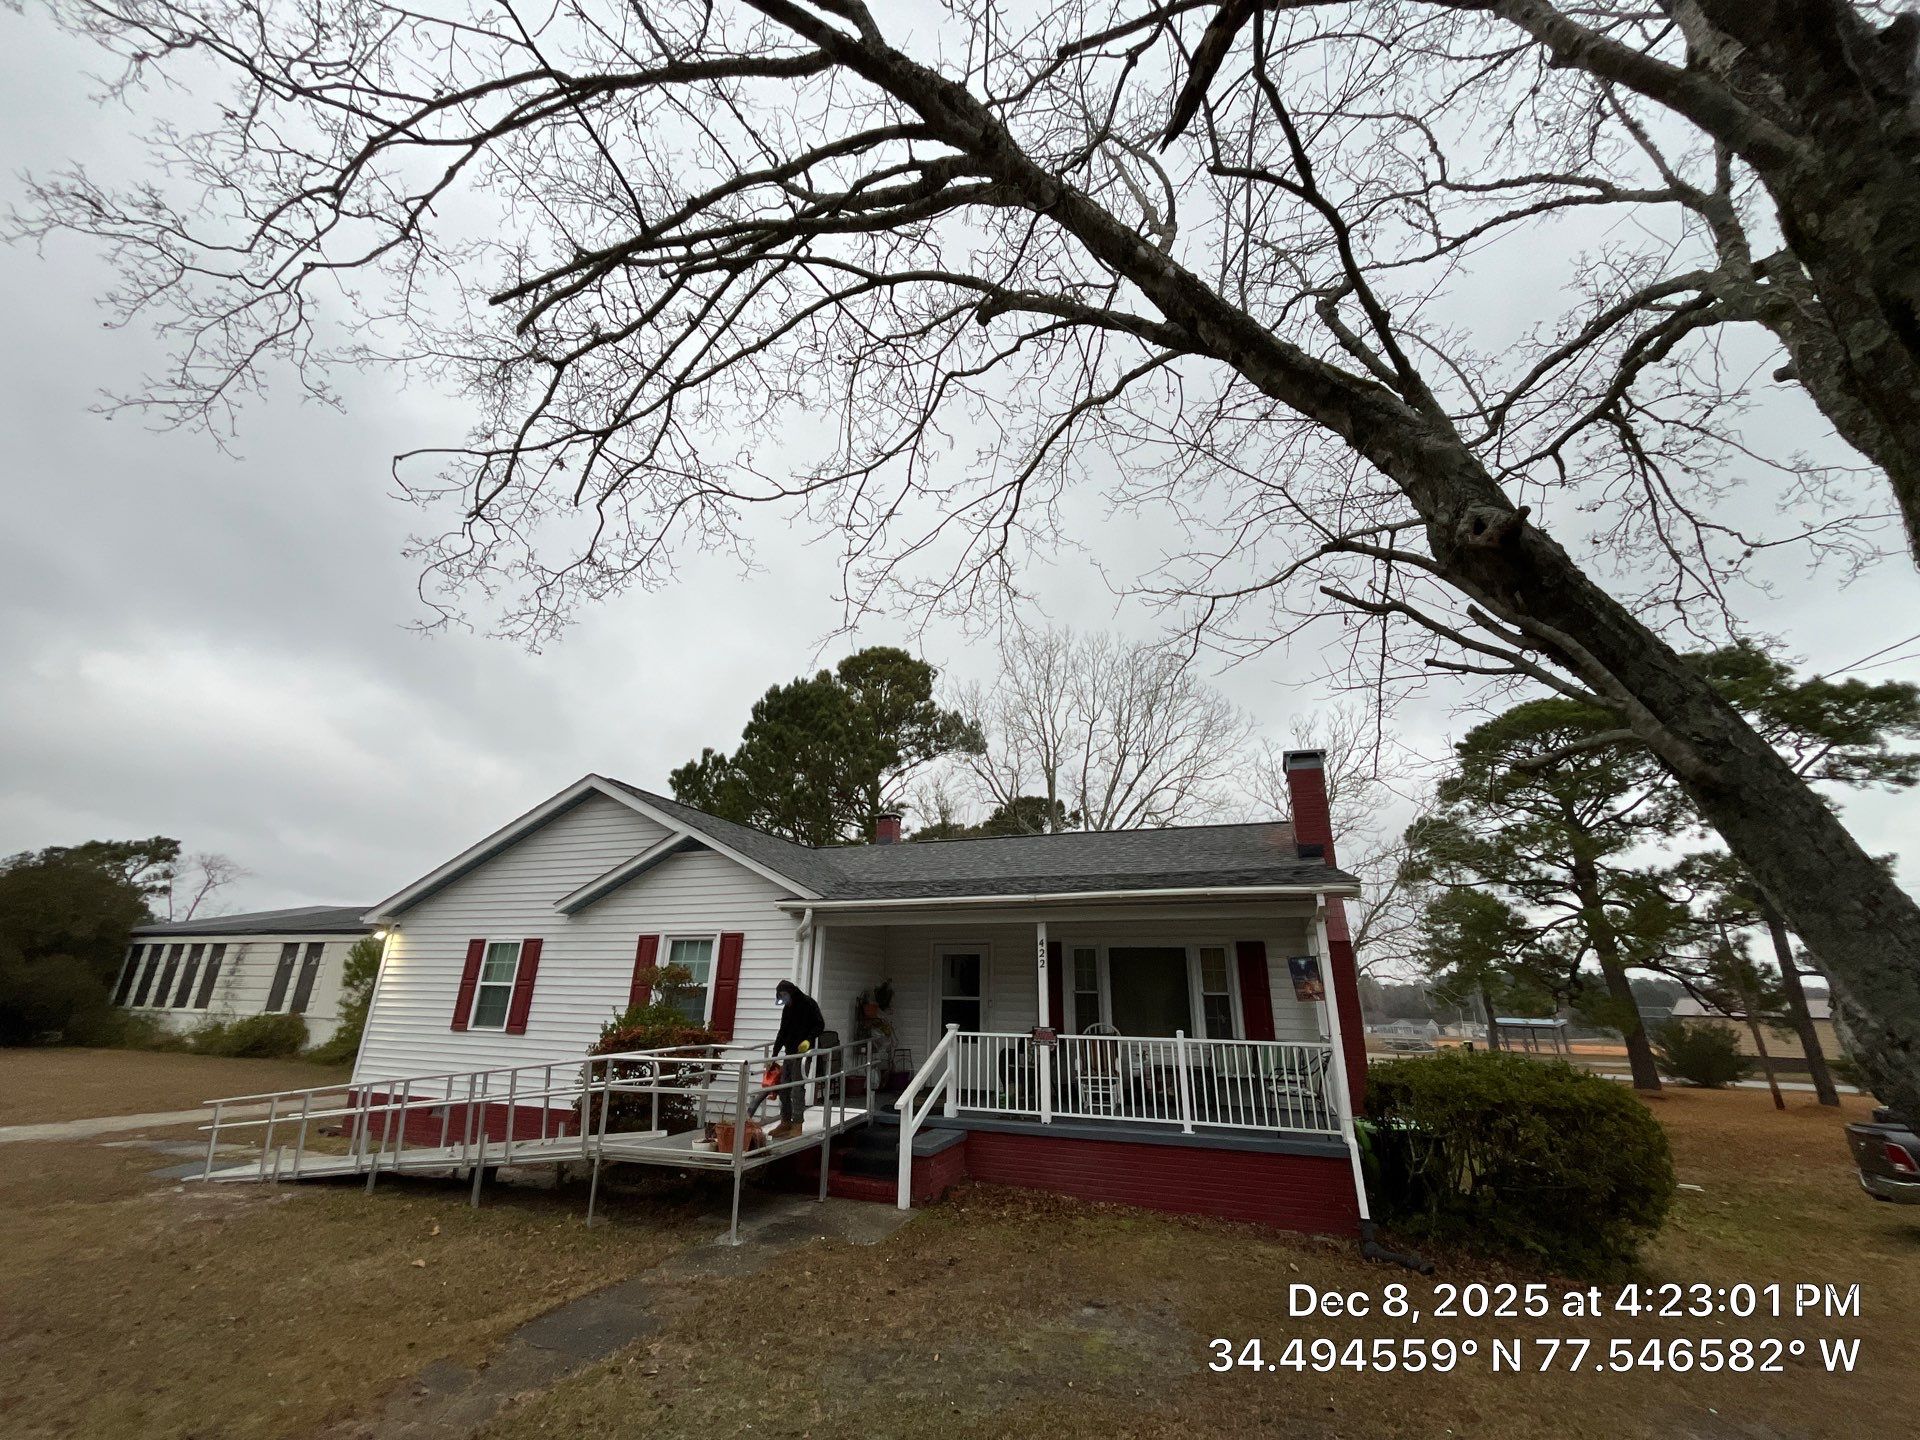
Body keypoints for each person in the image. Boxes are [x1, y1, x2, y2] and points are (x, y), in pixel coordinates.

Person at [752, 979, 824, 1135]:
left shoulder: (808, 1004)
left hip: (803, 1053)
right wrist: (774, 1055)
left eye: (785, 994)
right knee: (783, 1087)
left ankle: (797, 1123)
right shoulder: (787, 1009)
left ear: (791, 992)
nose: (783, 998)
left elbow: (820, 1024)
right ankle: (785, 1121)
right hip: (789, 1052)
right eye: (781, 995)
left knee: (797, 1088)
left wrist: (808, 1040)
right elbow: (782, 1032)